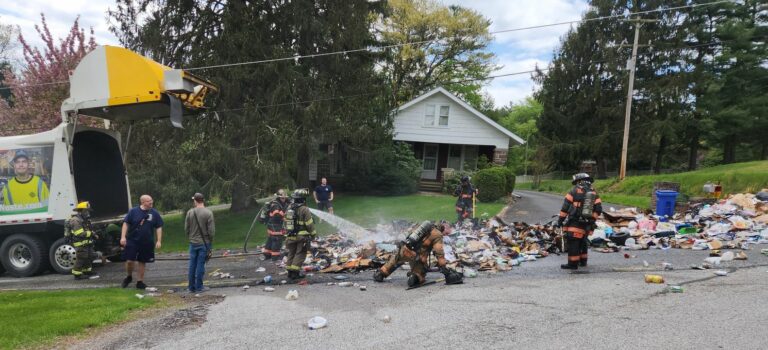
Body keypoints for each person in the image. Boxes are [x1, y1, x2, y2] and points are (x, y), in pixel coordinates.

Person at [373, 221, 463, 288]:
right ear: (441, 229)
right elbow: (439, 252)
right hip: (417, 256)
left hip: (404, 249)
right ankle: (414, 277)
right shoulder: (437, 234)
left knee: (394, 261)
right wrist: (445, 270)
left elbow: (408, 236)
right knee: (420, 272)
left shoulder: (422, 227)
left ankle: (380, 274)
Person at [557, 173, 602, 270]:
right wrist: (591, 220)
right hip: (587, 224)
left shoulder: (574, 191)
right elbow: (598, 209)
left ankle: (572, 264)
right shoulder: (593, 192)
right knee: (583, 241)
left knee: (573, 242)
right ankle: (583, 261)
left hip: (575, 223)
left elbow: (565, 208)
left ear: (579, 181)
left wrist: (560, 220)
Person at [120, 194, 164, 289]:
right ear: (142, 202)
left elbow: (159, 227)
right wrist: (123, 237)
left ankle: (140, 282)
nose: (151, 202)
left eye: (151, 200)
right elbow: (125, 223)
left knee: (142, 261)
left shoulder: (154, 213)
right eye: (148, 201)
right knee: (129, 261)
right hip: (132, 240)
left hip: (147, 242)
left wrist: (159, 240)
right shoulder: (133, 211)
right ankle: (129, 276)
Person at [185, 193, 215, 293]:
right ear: (203, 200)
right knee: (200, 265)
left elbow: (186, 228)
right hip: (204, 243)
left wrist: (190, 237)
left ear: (195, 201)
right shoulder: (208, 213)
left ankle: (191, 287)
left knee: (192, 265)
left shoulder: (190, 212)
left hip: (192, 243)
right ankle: (199, 287)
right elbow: (211, 231)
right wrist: (210, 241)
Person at [284, 189, 315, 280]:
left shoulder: (289, 208)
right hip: (301, 236)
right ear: (303, 199)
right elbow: (309, 224)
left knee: (291, 253)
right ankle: (295, 273)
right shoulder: (304, 209)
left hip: (290, 235)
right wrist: (313, 234)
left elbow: (286, 221)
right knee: (300, 253)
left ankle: (290, 272)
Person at [69, 201, 99, 280]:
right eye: (86, 211)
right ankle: (77, 274)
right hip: (80, 244)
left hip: (87, 243)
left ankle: (87, 271)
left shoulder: (85, 219)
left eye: (88, 211)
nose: (88, 213)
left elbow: (89, 230)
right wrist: (91, 234)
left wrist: (94, 234)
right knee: (81, 258)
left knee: (89, 257)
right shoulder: (75, 220)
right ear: (80, 211)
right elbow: (79, 233)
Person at [262, 189, 289, 263]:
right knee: (277, 239)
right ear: (278, 197)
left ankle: (267, 254)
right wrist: (284, 209)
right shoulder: (275, 205)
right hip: (275, 225)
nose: (284, 199)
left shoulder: (280, 202)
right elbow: (277, 217)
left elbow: (287, 201)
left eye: (285, 198)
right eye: (282, 198)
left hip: (272, 224)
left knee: (271, 239)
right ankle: (275, 257)